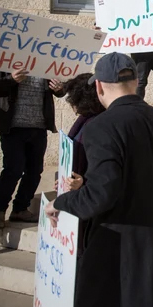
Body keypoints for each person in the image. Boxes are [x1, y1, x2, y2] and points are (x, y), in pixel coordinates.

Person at [44, 52, 153, 307]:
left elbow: (102, 194)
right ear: (136, 82)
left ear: (99, 86)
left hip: (120, 254)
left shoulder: (101, 126)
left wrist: (61, 201)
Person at [0, 69, 64, 229]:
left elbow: (60, 91)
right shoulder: (5, 59)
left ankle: (20, 208)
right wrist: (10, 79)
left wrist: (59, 88)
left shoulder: (46, 61)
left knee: (35, 170)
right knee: (13, 169)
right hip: (12, 127)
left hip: (39, 126)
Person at [57, 73, 106, 258]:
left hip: (90, 203)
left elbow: (103, 172)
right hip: (78, 196)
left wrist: (82, 183)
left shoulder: (97, 125)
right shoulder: (84, 121)